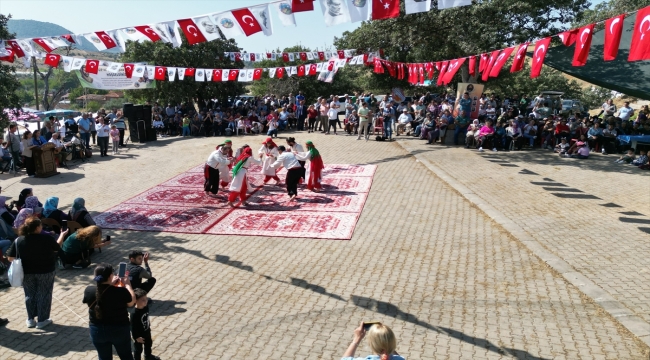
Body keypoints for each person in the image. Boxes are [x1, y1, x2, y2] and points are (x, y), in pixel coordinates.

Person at [6, 217, 69, 329]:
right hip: (46, 271)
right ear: (37, 227)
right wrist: (62, 235)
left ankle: (30, 319)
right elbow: (56, 248)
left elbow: (10, 258)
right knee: (44, 294)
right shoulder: (46, 238)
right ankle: (42, 320)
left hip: (26, 272)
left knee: (29, 294)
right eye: (40, 226)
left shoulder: (19, 240)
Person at [83, 263, 136, 360]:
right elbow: (131, 302)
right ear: (111, 276)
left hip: (97, 331)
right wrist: (128, 285)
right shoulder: (121, 291)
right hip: (119, 329)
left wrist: (110, 284)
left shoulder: (89, 290)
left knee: (104, 357)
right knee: (126, 356)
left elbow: (101, 295)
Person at [131, 289, 161, 360]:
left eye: (146, 299)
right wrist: (136, 337)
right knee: (138, 349)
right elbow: (132, 327)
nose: (146, 301)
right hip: (139, 335)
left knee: (148, 344)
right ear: (136, 301)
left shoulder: (145, 307)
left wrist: (148, 328)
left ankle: (148, 356)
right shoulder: (134, 313)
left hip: (147, 331)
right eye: (143, 300)